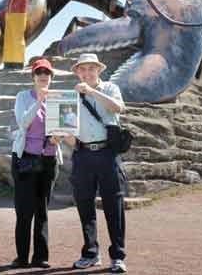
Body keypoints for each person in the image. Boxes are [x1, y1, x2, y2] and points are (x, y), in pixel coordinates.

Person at [63, 53, 128, 273]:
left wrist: (91, 91)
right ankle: (91, 253)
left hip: (107, 154)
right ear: (77, 72)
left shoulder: (110, 88)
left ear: (99, 70)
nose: (87, 72)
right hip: (82, 155)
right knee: (84, 205)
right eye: (83, 69)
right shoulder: (69, 97)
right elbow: (69, 134)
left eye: (92, 68)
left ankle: (118, 256)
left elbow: (118, 108)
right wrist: (61, 134)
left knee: (114, 205)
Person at [10, 58, 63, 269]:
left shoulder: (59, 99)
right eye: (39, 72)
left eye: (47, 73)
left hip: (49, 160)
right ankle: (21, 257)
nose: (43, 75)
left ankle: (41, 257)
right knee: (24, 211)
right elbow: (23, 122)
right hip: (25, 160)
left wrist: (59, 136)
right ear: (33, 76)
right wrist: (39, 100)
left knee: (42, 210)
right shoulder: (23, 97)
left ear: (51, 77)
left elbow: (64, 127)